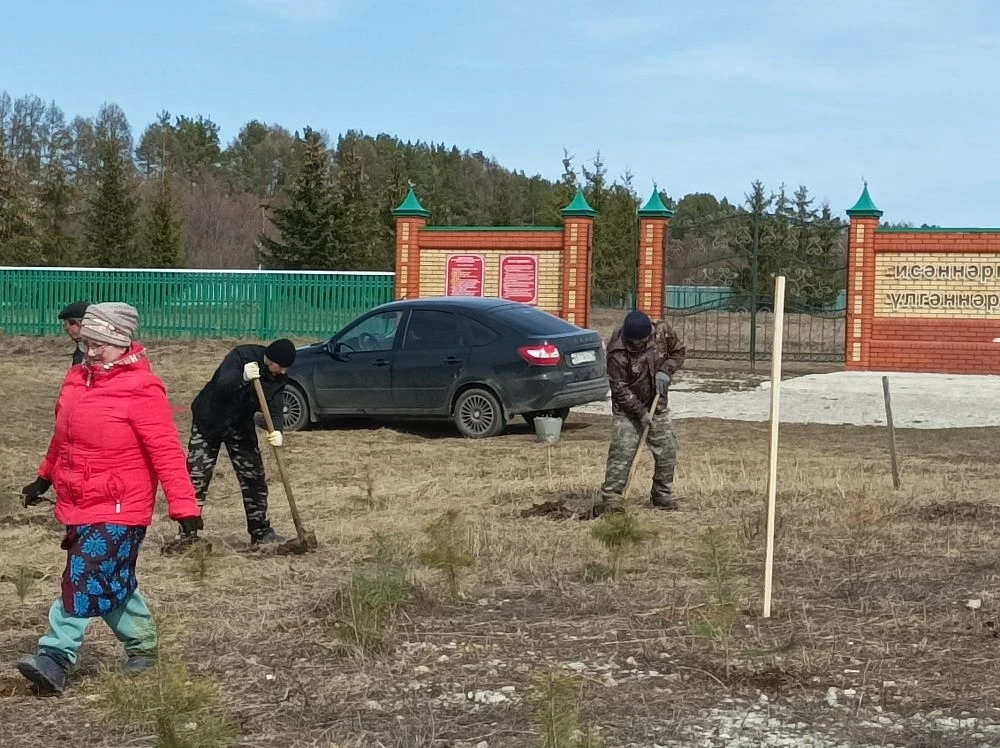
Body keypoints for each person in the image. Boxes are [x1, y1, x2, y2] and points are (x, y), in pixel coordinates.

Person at [17, 302, 203, 695]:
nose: (89, 351)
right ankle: (144, 645)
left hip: (121, 507)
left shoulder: (143, 388)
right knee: (109, 578)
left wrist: (184, 506)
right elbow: (63, 437)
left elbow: (166, 451)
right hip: (80, 501)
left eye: (98, 344)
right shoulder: (75, 380)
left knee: (83, 574)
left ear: (121, 343)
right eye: (86, 342)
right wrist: (43, 478)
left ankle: (55, 657)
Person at [167, 339, 296, 551]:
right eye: (281, 366)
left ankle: (261, 532)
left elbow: (275, 406)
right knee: (197, 478)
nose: (283, 371)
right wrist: (243, 378)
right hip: (209, 420)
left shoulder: (278, 377)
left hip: (240, 424)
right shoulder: (242, 356)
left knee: (253, 477)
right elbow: (222, 386)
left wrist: (277, 431)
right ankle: (187, 534)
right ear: (270, 360)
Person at [595, 309, 686, 514]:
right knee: (621, 453)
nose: (638, 344)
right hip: (627, 410)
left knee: (667, 450)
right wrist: (641, 413)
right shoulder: (617, 351)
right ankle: (611, 499)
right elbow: (619, 389)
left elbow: (678, 351)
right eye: (634, 341)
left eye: (642, 340)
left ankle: (661, 494)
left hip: (657, 405)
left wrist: (666, 370)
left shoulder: (662, 331)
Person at [57, 300, 91, 367]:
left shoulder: (106, 350)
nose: (66, 328)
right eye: (65, 324)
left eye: (71, 323)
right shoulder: (81, 348)